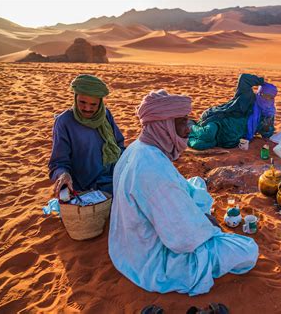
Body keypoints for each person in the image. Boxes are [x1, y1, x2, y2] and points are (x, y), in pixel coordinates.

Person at [108, 89, 258, 296]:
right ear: (165, 124)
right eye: (182, 121)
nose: (189, 129)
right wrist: (209, 226)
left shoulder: (137, 148)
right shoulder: (151, 168)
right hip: (151, 258)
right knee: (248, 249)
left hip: (128, 244)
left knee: (196, 182)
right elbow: (184, 239)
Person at [48, 74, 124, 197]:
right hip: (85, 190)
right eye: (82, 102)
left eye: (93, 105)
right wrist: (63, 174)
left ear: (100, 104)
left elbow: (119, 145)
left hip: (113, 181)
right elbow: (58, 162)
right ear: (75, 98)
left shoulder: (105, 115)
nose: (87, 108)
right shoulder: (64, 121)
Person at [188, 73, 277, 150]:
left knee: (201, 145)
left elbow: (267, 134)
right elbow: (244, 78)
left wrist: (267, 128)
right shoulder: (247, 98)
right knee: (207, 134)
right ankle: (191, 125)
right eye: (265, 95)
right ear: (259, 93)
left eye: (270, 97)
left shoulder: (268, 114)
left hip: (229, 139)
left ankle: (194, 133)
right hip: (219, 121)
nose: (267, 99)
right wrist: (262, 82)